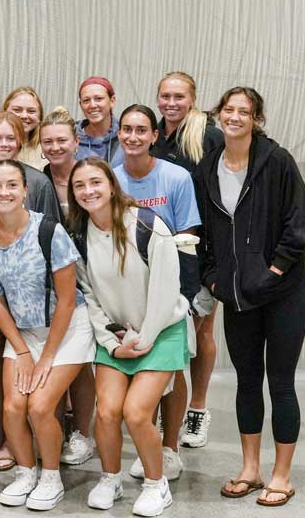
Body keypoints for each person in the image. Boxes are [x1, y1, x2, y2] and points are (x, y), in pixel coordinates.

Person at [196, 87, 305, 507]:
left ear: (256, 119)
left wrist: (275, 269)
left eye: (243, 111)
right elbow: (206, 232)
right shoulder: (209, 166)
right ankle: (251, 469)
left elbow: (302, 222)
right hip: (237, 296)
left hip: (283, 292)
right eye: (228, 110)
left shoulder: (277, 161)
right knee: (247, 382)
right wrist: (213, 278)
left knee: (280, 383)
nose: (235, 117)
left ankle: (281, 476)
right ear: (218, 116)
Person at [68, 158, 188, 517]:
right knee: (105, 413)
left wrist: (147, 337)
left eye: (95, 182)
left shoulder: (148, 225)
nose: (88, 191)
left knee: (136, 414)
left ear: (111, 184)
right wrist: (111, 342)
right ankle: (111, 478)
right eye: (79, 186)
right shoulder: (79, 235)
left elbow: (167, 290)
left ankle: (156, 484)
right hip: (117, 337)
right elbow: (88, 295)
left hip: (161, 331)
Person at [0, 160, 95, 511]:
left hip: (68, 329)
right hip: (24, 333)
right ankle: (26, 472)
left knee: (41, 407)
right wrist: (22, 350)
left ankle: (51, 477)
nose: (4, 192)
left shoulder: (49, 231)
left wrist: (46, 356)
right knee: (13, 407)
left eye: (12, 185)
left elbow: (68, 301)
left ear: (25, 189)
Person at [113, 104, 201, 483]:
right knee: (141, 369)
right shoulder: (110, 178)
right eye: (127, 129)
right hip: (128, 291)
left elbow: (190, 237)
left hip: (171, 289)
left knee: (173, 367)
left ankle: (170, 448)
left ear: (153, 136)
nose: (133, 136)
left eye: (141, 130)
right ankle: (146, 441)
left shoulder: (177, 178)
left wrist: (182, 293)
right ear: (119, 134)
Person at [152, 71, 224, 449]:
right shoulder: (153, 134)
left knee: (200, 331)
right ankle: (167, 412)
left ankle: (196, 408)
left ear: (192, 98)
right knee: (167, 334)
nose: (171, 103)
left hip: (200, 248)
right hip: (156, 250)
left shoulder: (207, 134)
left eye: (179, 96)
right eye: (165, 96)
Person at [40, 107, 80, 215]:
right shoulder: (38, 182)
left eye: (62, 140)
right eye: (48, 142)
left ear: (76, 141)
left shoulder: (91, 176)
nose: (55, 148)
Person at [76, 77, 123, 166]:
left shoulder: (125, 137)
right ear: (80, 104)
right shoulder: (70, 139)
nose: (92, 105)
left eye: (98, 98)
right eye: (86, 100)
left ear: (112, 101)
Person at [2, 87, 46, 166]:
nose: (24, 116)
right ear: (5, 112)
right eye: (17, 110)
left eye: (31, 111)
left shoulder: (47, 149)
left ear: (40, 117)